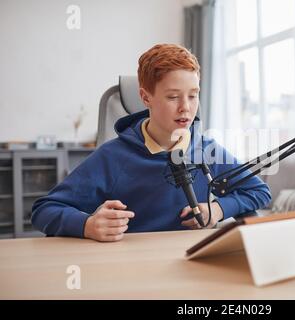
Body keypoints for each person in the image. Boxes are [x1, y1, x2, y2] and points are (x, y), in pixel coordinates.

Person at [31, 43, 271, 242]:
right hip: (137, 267)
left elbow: (259, 191)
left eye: (193, 95)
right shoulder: (114, 157)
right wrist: (88, 225)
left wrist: (218, 209)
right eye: (173, 97)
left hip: (195, 263)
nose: (185, 107)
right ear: (146, 97)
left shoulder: (207, 149)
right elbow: (44, 210)